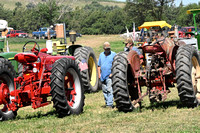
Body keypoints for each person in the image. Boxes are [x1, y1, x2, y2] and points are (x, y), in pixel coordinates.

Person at [98, 42, 116, 108]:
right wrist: (99, 74)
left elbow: (116, 65)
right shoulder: (101, 55)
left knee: (109, 90)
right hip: (102, 76)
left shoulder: (113, 54)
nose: (107, 50)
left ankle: (109, 104)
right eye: (106, 49)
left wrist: (112, 73)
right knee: (104, 90)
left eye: (108, 49)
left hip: (109, 76)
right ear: (104, 48)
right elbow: (99, 65)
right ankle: (106, 102)